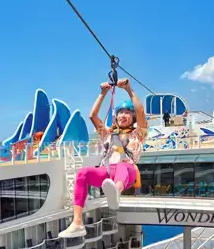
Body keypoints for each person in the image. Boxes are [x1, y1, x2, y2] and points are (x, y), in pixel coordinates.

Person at [58, 79, 148, 238]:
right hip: (107, 172)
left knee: (122, 166)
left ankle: (116, 192)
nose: (123, 115)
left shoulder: (138, 134)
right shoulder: (108, 134)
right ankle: (77, 222)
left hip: (127, 172)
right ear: (116, 116)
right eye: (121, 112)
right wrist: (102, 94)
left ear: (132, 117)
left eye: (128, 112)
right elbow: (93, 116)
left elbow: (140, 112)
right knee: (83, 173)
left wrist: (128, 89)